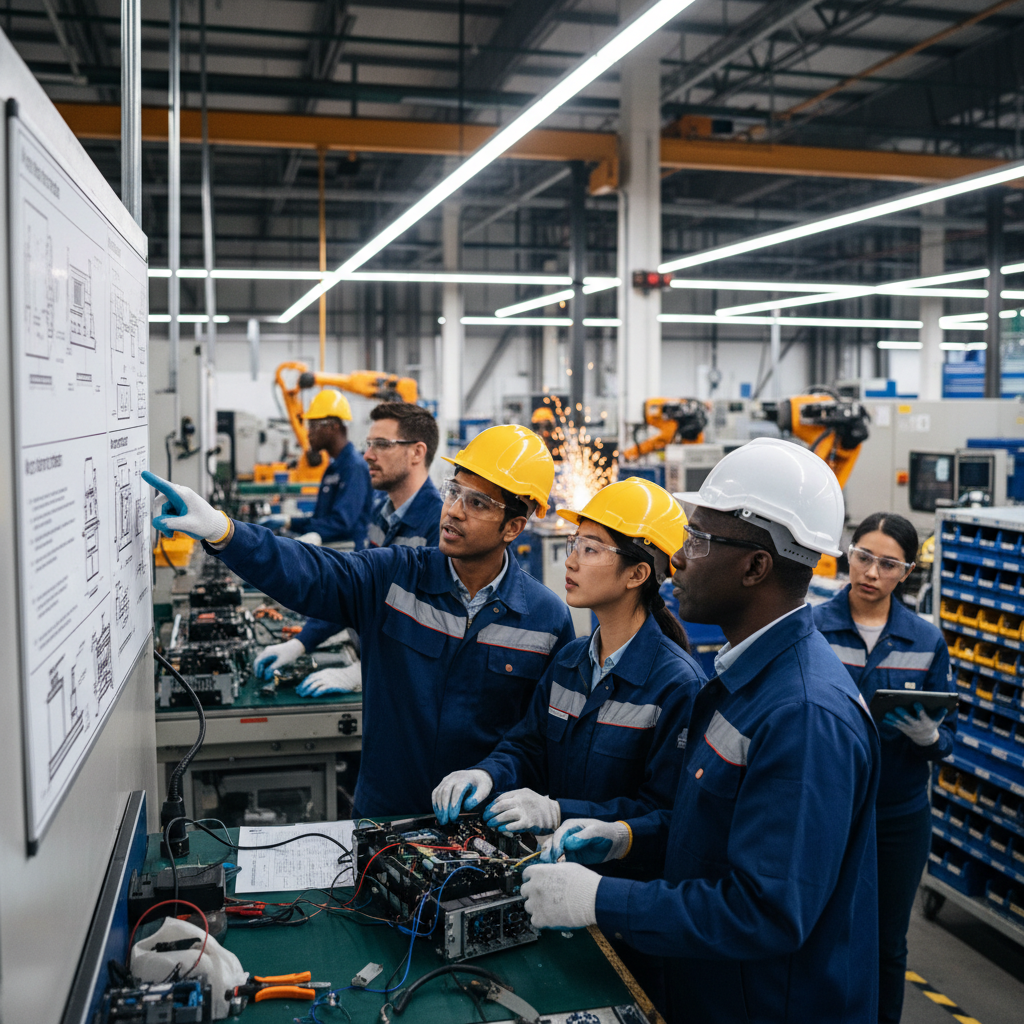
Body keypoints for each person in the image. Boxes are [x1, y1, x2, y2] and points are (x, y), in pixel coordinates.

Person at [519, 437, 881, 1024]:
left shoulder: (805, 714)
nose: (680, 558)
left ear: (755, 566)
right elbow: (708, 825)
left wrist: (599, 898)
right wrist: (625, 836)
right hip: (707, 989)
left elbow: (765, 911)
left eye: (699, 540)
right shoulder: (740, 680)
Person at [143, 424, 574, 817]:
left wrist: (498, 781)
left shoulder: (546, 619)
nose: (454, 511)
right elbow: (312, 572)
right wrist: (225, 532)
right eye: (454, 491)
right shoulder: (396, 576)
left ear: (514, 526)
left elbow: (541, 740)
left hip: (484, 827)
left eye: (477, 503)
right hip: (387, 816)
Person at [432, 476, 705, 837]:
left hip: (618, 885)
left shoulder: (677, 685)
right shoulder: (569, 662)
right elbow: (528, 746)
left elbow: (664, 813)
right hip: (556, 870)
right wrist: (487, 773)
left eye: (590, 549)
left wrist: (559, 812)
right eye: (574, 544)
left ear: (637, 574)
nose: (571, 562)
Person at [813, 512, 954, 1024]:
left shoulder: (924, 640)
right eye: (864, 557)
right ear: (848, 555)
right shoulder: (812, 628)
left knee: (888, 944)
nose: (871, 572)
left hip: (898, 816)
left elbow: (947, 737)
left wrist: (931, 737)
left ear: (906, 572)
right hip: (829, 807)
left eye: (887, 564)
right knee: (821, 930)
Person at [253, 402, 443, 693]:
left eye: (381, 444)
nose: (367, 455)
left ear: (417, 452)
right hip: (374, 660)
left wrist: (361, 673)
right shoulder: (381, 516)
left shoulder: (439, 528)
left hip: (405, 685)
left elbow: (433, 632)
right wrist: (300, 642)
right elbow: (358, 594)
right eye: (369, 444)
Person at [260, 388, 372, 547]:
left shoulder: (354, 467)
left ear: (333, 427)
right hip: (333, 552)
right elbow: (321, 520)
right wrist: (289, 522)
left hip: (348, 555)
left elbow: (342, 522)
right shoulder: (333, 467)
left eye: (313, 426)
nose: (308, 433)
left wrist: (314, 535)